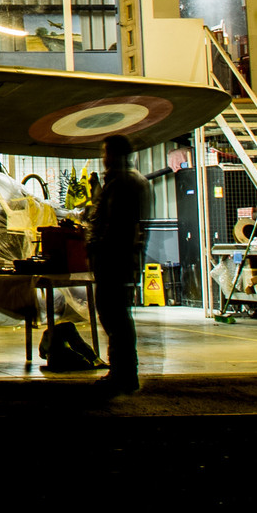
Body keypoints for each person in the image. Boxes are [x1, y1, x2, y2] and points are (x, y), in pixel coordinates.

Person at [87, 135, 151, 394]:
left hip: (114, 260)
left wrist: (96, 248)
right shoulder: (132, 181)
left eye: (105, 152)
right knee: (119, 316)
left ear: (114, 154)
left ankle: (122, 373)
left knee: (114, 316)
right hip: (124, 260)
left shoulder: (122, 183)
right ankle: (125, 372)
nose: (103, 158)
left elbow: (113, 226)